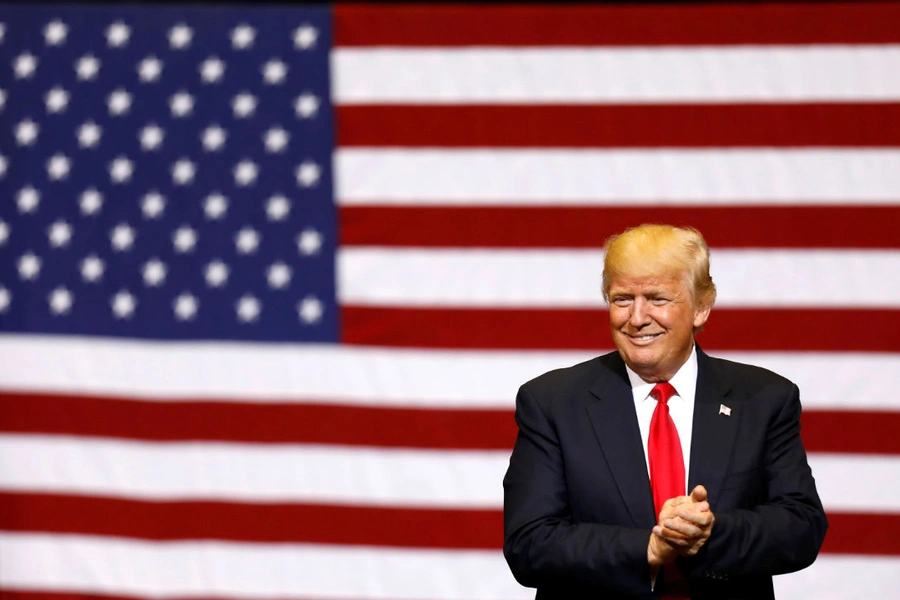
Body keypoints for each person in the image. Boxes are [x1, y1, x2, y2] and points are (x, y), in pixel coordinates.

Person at [503, 223, 827, 599]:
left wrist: (709, 533)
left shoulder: (763, 399)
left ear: (701, 308)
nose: (636, 318)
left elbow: (801, 526)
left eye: (657, 299)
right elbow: (529, 543)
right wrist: (650, 549)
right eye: (622, 298)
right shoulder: (552, 402)